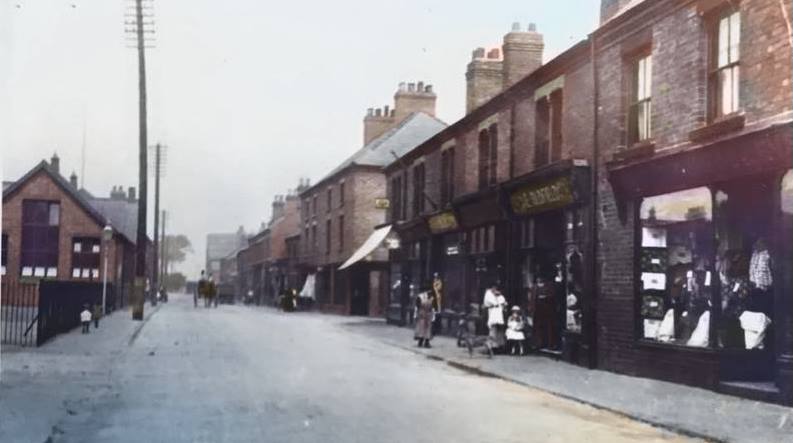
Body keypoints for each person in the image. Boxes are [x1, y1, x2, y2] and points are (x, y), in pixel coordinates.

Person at [483, 284, 507, 351]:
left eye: (496, 289)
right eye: (494, 288)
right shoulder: (489, 294)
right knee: (493, 329)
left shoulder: (500, 297)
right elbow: (493, 303)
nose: (496, 290)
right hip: (492, 312)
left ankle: (499, 345)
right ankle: (491, 346)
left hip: (499, 313)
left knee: (499, 329)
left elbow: (503, 303)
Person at [414, 284, 437, 348]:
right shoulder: (420, 297)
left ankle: (427, 342)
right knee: (421, 327)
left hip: (428, 314)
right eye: (427, 290)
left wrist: (433, 316)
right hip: (422, 313)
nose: (428, 292)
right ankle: (420, 341)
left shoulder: (431, 298)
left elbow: (433, 308)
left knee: (428, 328)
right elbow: (417, 306)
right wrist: (416, 315)